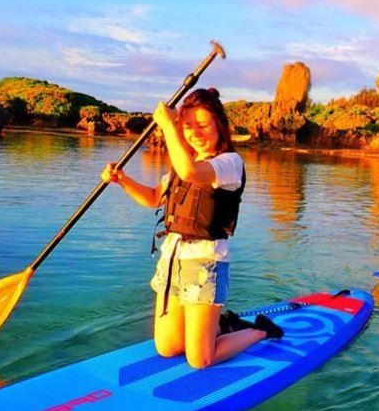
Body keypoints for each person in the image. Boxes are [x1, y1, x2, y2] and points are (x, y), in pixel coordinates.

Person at [101, 87, 282, 369]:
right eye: (188, 126)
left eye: (203, 125)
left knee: (200, 359)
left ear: (220, 126)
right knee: (168, 347)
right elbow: (152, 198)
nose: (195, 133)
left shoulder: (228, 163)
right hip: (172, 261)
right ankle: (221, 325)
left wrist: (168, 126)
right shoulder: (182, 164)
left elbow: (190, 173)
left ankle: (259, 330)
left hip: (204, 264)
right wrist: (122, 180)